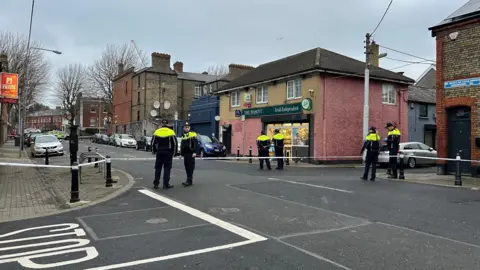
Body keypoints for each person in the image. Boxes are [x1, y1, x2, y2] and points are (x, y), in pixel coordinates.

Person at [151, 119, 178, 189]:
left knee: (158, 168)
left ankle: (156, 184)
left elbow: (153, 142)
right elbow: (175, 143)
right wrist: (174, 153)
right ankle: (165, 184)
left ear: (161, 124)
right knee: (167, 168)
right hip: (168, 153)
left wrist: (154, 151)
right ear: (167, 124)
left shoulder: (157, 131)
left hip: (159, 152)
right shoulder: (171, 132)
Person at [180, 122, 197, 187]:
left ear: (189, 128)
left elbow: (196, 143)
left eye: (187, 127)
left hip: (191, 153)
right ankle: (188, 179)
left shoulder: (193, 134)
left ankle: (189, 180)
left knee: (190, 167)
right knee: (186, 166)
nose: (186, 128)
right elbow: (182, 145)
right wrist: (181, 154)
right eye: (185, 127)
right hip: (185, 153)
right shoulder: (184, 135)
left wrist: (195, 152)